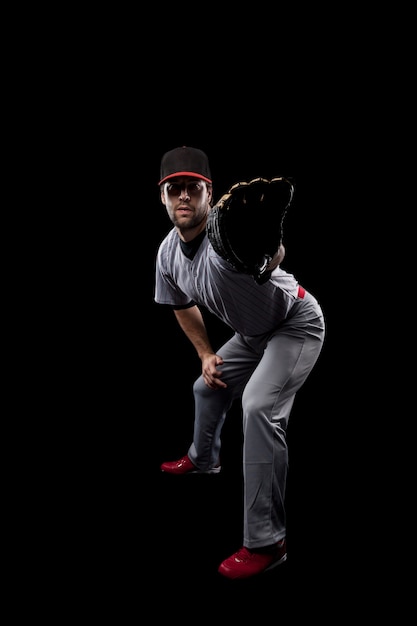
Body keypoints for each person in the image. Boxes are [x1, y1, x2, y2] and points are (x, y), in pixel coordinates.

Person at [154, 146, 325, 580]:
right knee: (204, 385)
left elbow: (273, 252)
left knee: (257, 407)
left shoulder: (226, 235)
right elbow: (179, 302)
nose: (184, 197)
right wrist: (206, 353)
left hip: (295, 323)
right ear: (163, 197)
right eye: (175, 189)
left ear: (209, 193)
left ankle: (268, 543)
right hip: (252, 335)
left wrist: (265, 253)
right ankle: (204, 457)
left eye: (194, 188)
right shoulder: (167, 253)